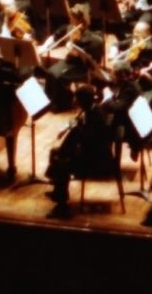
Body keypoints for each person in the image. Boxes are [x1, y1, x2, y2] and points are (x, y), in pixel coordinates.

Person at [44, 84, 116, 218]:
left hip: (98, 162)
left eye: (76, 99)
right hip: (92, 153)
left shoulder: (95, 116)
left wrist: (75, 132)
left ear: (82, 101)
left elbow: (88, 142)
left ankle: (62, 207)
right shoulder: (91, 110)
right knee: (56, 153)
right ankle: (57, 190)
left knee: (62, 165)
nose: (74, 101)